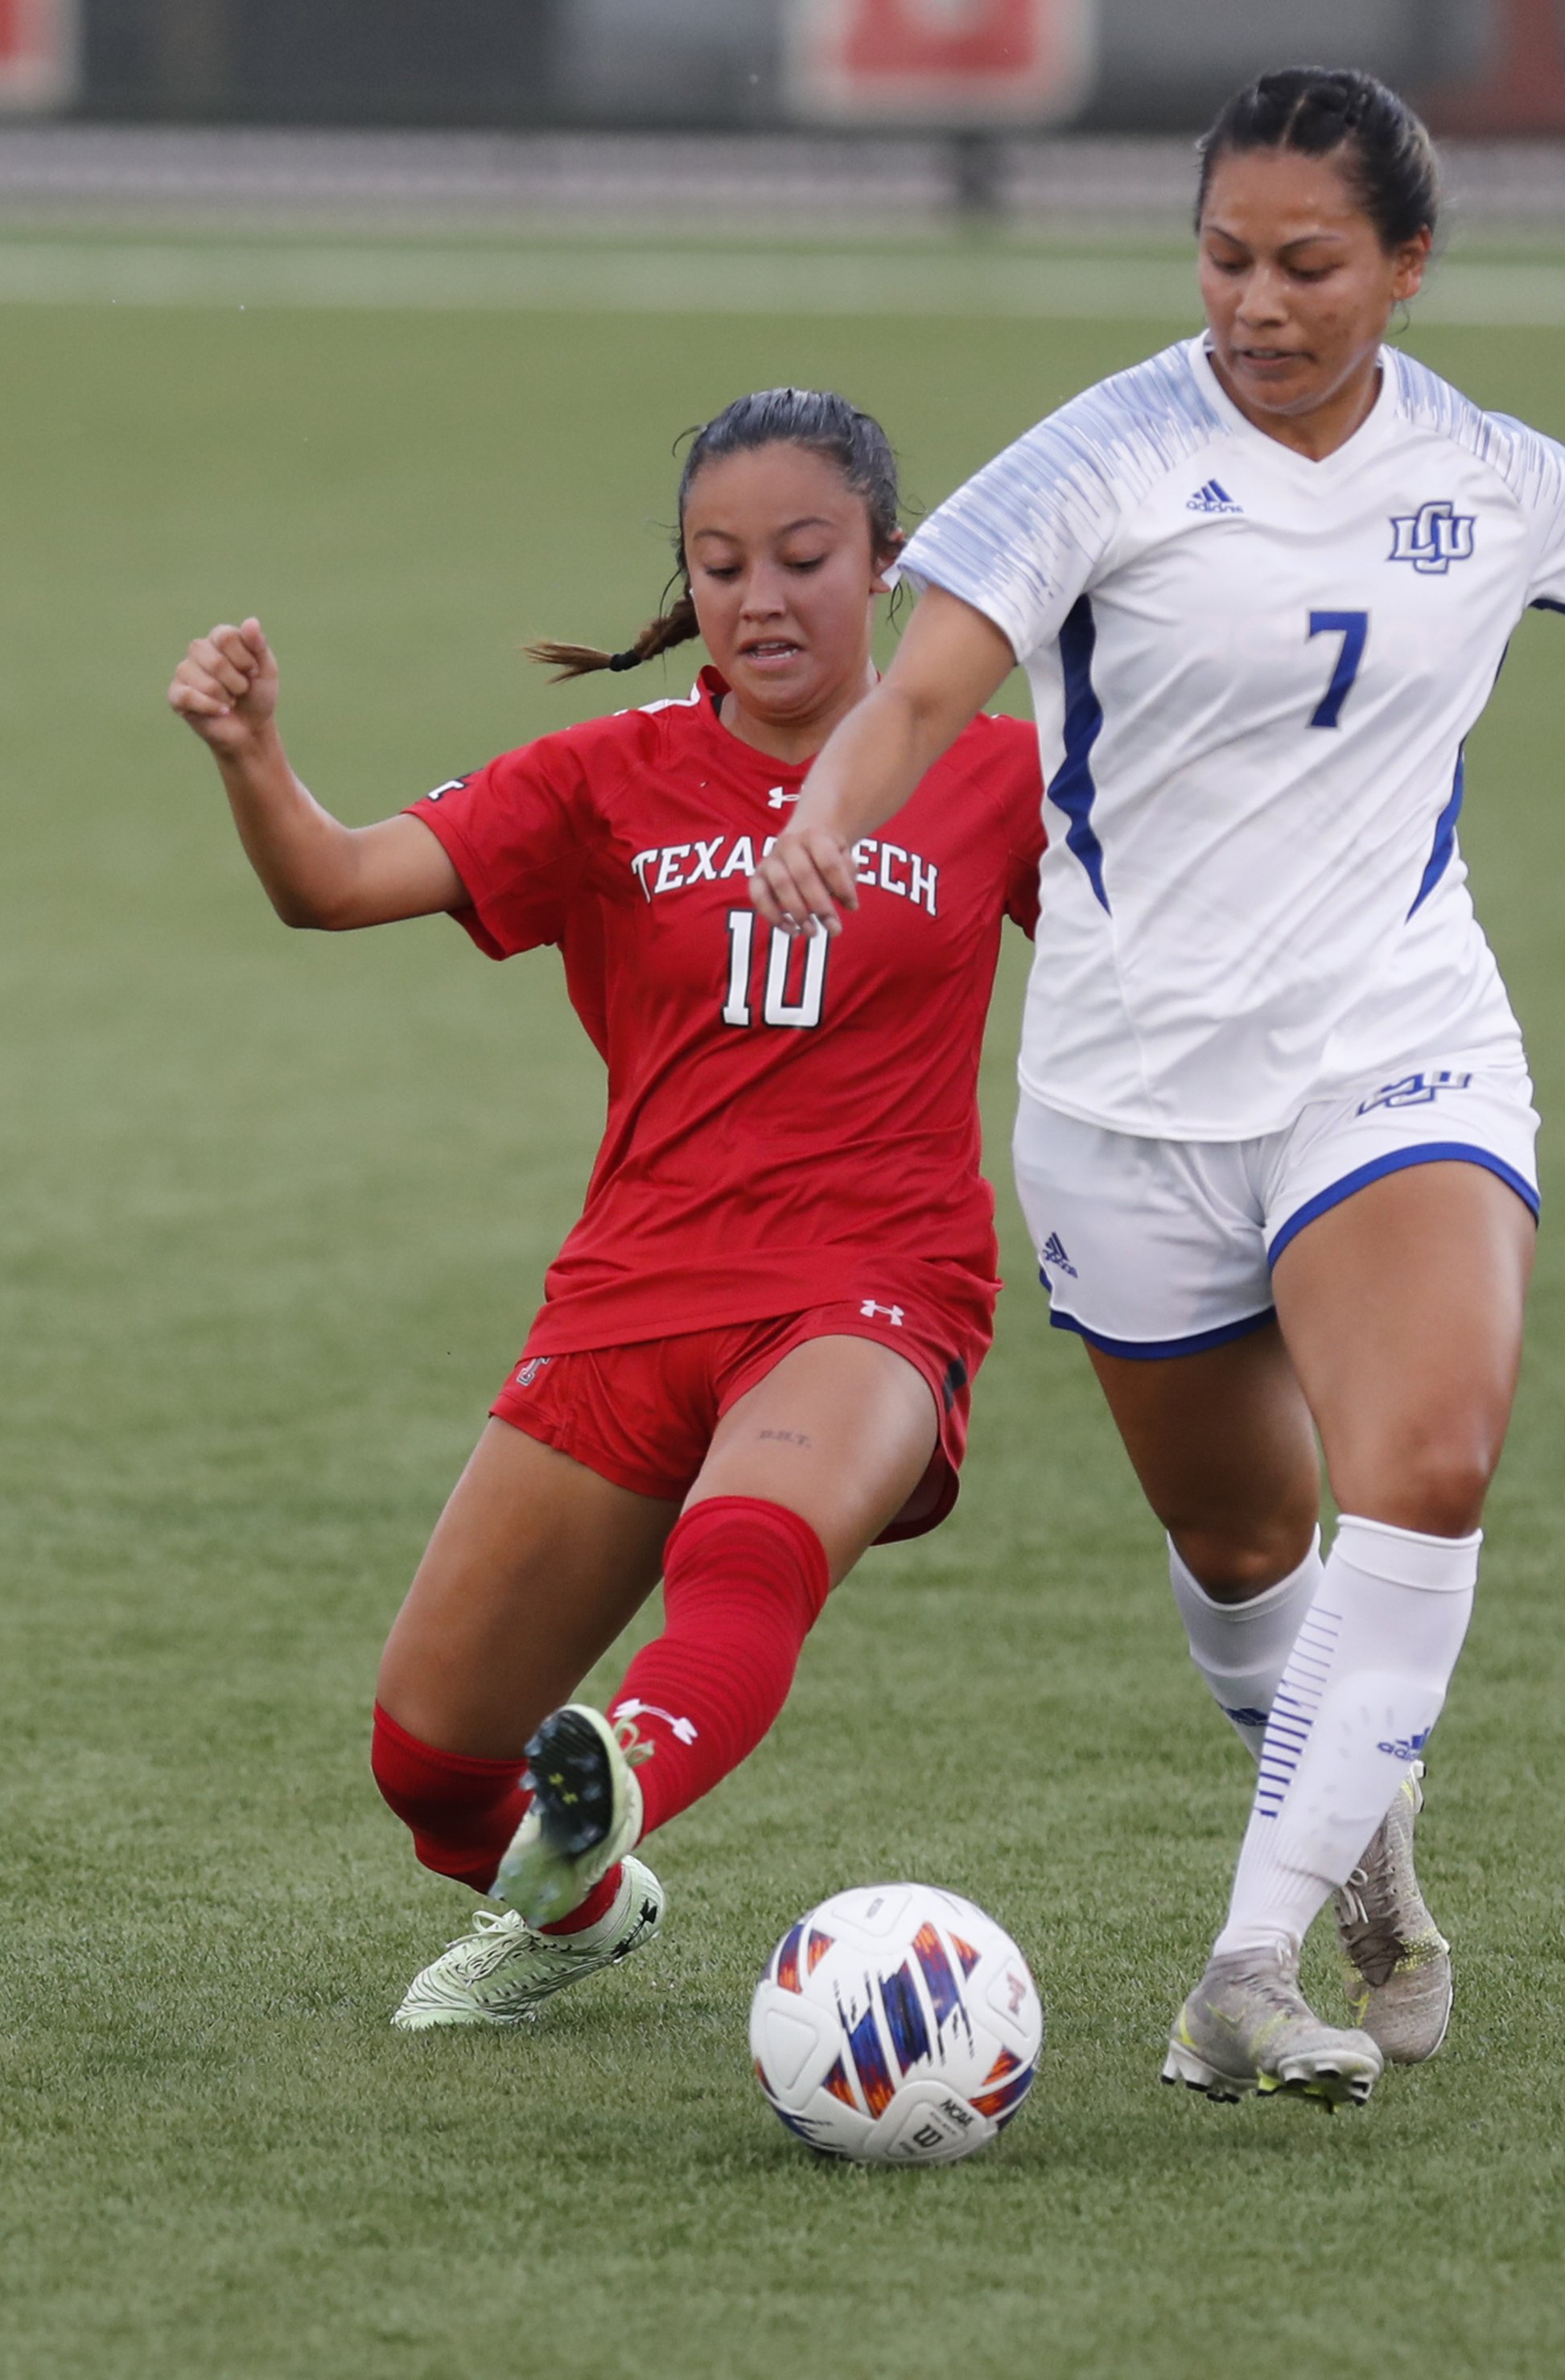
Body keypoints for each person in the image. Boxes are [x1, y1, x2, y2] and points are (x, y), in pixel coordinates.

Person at [748, 70, 1565, 2110]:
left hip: (1393, 1047)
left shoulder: (1494, 474)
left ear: (1405, 265)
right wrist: (831, 806)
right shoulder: (1101, 452)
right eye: (1221, 258)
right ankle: (1359, 1852)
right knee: (1241, 1544)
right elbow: (925, 682)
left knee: (1427, 1468)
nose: (1254, 306)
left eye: (1305, 265)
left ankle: (1242, 1966)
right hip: (1126, 1102)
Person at [167, 389, 1044, 2028]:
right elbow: (335, 884)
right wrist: (253, 757)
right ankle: (581, 1900)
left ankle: (615, 1781)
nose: (759, 598)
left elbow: (1160, 968)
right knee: (429, 1762)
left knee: (746, 1546)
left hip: (872, 1287)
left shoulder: (999, 777)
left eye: (801, 557)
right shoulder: (601, 780)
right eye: (720, 566)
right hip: (631, 1297)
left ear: (891, 567)